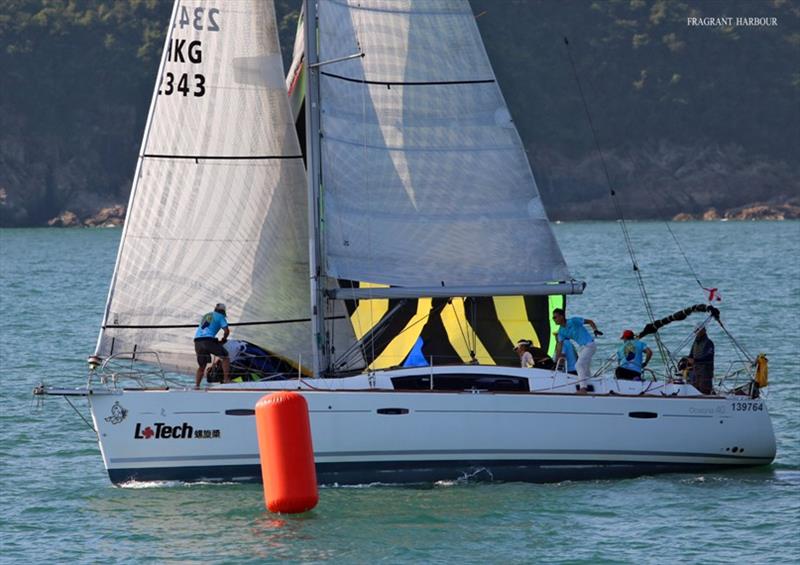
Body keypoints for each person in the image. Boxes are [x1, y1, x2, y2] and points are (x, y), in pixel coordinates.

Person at [552, 308, 602, 391]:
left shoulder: (573, 321)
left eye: (555, 317)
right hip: (582, 348)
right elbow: (559, 346)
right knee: (585, 369)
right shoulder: (561, 331)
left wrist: (595, 330)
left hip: (590, 345)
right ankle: (593, 387)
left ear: (561, 316)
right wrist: (556, 361)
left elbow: (590, 321)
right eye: (553, 318)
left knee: (578, 365)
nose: (553, 319)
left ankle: (583, 388)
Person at [194, 303, 231, 388]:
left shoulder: (207, 315)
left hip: (197, 341)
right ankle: (226, 380)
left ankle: (197, 386)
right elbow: (226, 331)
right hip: (208, 341)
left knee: (202, 366)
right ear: (223, 311)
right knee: (225, 357)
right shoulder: (221, 317)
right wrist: (224, 339)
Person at [687, 323, 715, 394]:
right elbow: (691, 355)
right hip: (695, 372)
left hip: (705, 373)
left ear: (703, 331)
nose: (696, 332)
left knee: (704, 392)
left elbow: (708, 357)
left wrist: (695, 360)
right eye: (695, 330)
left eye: (697, 330)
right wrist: (687, 360)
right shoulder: (695, 343)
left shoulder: (709, 343)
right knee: (694, 392)